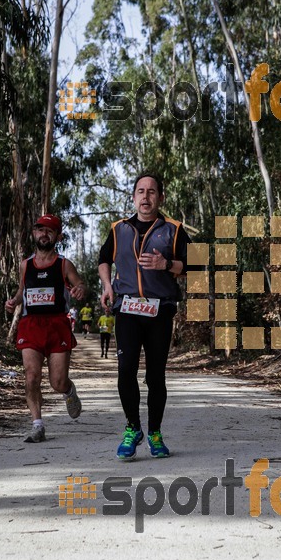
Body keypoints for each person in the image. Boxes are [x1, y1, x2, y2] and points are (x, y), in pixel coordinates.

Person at [98, 172, 190, 460]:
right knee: (125, 370)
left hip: (159, 310)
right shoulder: (118, 229)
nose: (146, 197)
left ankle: (155, 433)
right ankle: (132, 428)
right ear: (133, 196)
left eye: (152, 192)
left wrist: (166, 264)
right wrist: (107, 286)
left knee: (155, 376)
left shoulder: (174, 230)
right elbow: (103, 259)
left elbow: (195, 266)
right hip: (126, 310)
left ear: (160, 197)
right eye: (140, 191)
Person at [5, 214, 86, 443]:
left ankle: (69, 391)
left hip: (57, 324)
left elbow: (79, 284)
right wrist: (13, 302)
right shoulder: (25, 265)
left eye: (50, 231)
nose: (44, 234)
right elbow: (22, 291)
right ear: (34, 234)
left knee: (57, 382)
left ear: (58, 236)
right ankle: (37, 425)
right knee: (31, 377)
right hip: (31, 325)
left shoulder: (63, 264)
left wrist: (79, 289)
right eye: (40, 230)